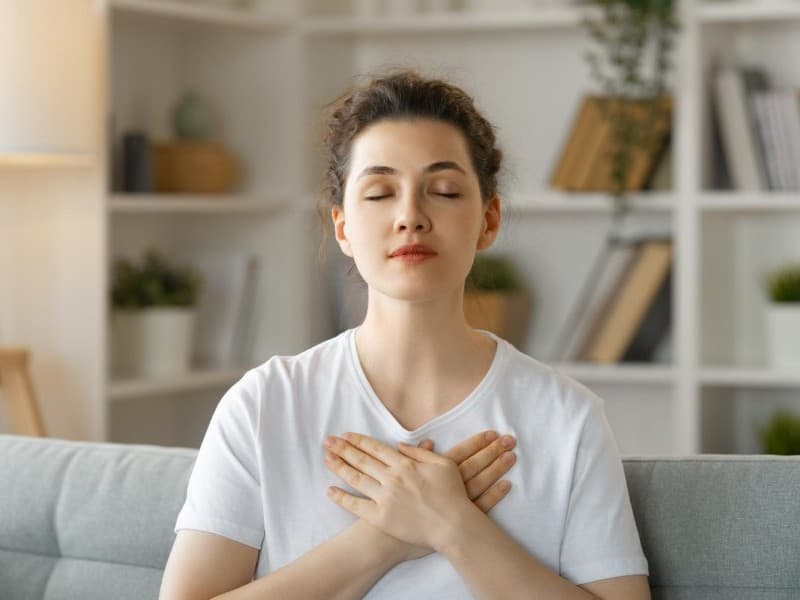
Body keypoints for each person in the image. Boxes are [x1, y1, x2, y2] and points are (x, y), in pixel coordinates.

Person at [160, 68, 650, 600]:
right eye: (379, 193)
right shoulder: (264, 405)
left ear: (488, 221)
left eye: (443, 191)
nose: (410, 216)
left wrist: (454, 526)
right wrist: (383, 538)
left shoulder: (568, 419)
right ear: (342, 227)